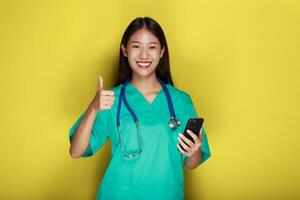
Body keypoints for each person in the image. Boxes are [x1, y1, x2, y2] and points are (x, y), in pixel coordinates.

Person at [69, 16, 211, 200]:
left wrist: (194, 151)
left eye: (152, 47)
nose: (144, 55)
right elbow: (75, 151)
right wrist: (93, 109)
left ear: (162, 52)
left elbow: (192, 163)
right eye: (136, 46)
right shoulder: (110, 99)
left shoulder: (180, 101)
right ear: (125, 50)